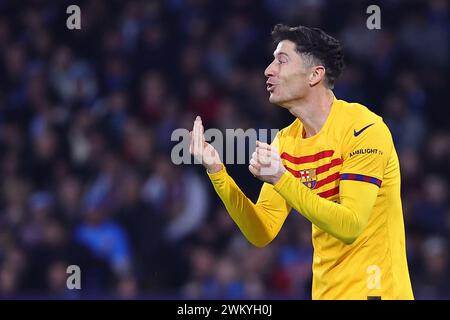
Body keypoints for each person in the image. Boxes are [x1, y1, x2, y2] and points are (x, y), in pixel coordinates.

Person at [189, 24, 414, 300]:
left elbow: (351, 225)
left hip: (377, 293)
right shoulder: (286, 142)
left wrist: (282, 179)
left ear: (314, 75)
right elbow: (262, 231)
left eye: (281, 60)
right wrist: (217, 173)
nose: (268, 70)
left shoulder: (364, 129)